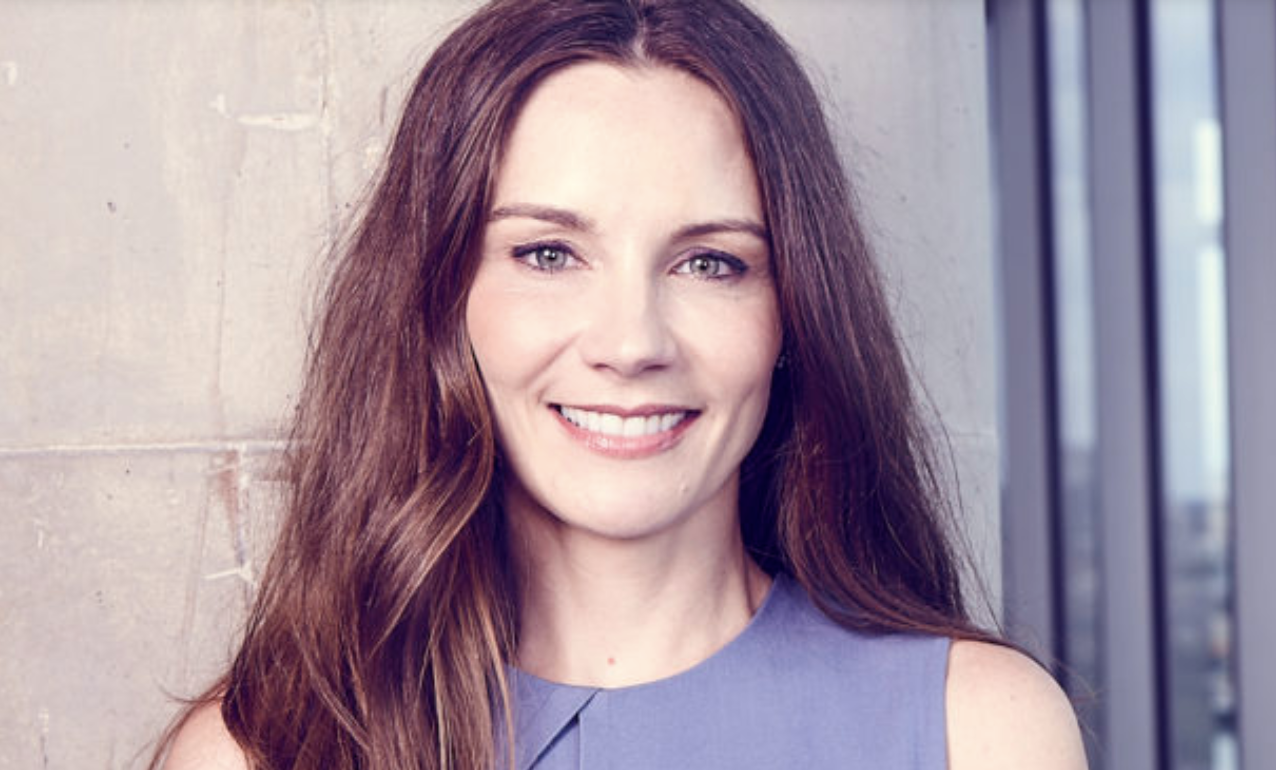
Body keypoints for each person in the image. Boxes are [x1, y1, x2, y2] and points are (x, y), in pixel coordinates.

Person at [155, 0, 1087, 768]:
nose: (632, 343)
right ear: (441, 300)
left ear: (793, 315)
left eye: (711, 263)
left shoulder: (982, 732)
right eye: (548, 254)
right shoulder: (256, 753)